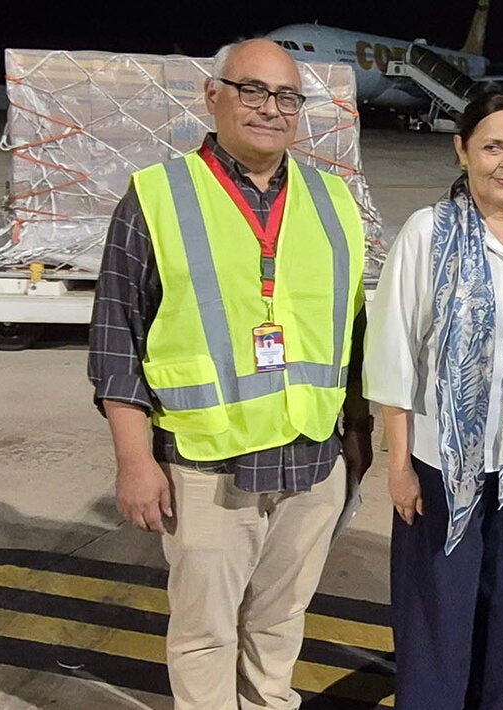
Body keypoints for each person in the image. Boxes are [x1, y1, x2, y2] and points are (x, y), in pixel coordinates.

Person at [87, 38, 373, 710]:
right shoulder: (156, 197)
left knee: (279, 625)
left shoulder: (335, 202)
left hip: (312, 462)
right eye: (252, 90)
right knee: (203, 633)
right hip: (207, 465)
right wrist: (134, 460)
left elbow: (354, 334)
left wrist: (357, 434)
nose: (269, 109)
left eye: (286, 97)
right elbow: (114, 338)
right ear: (212, 96)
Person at [363, 91, 503, 710]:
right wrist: (398, 465)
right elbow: (394, 351)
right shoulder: (430, 231)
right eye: (494, 146)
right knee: (438, 612)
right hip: (441, 456)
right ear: (463, 150)